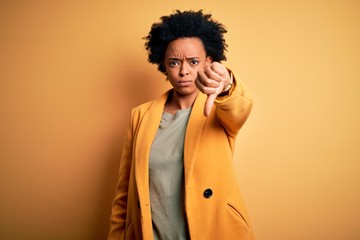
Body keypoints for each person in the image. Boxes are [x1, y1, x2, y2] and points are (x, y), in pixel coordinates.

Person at [108, 10, 254, 240]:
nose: (184, 71)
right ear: (163, 65)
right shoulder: (141, 115)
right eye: (174, 62)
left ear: (209, 61)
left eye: (193, 61)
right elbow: (124, 194)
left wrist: (226, 85)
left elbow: (240, 110)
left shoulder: (220, 107)